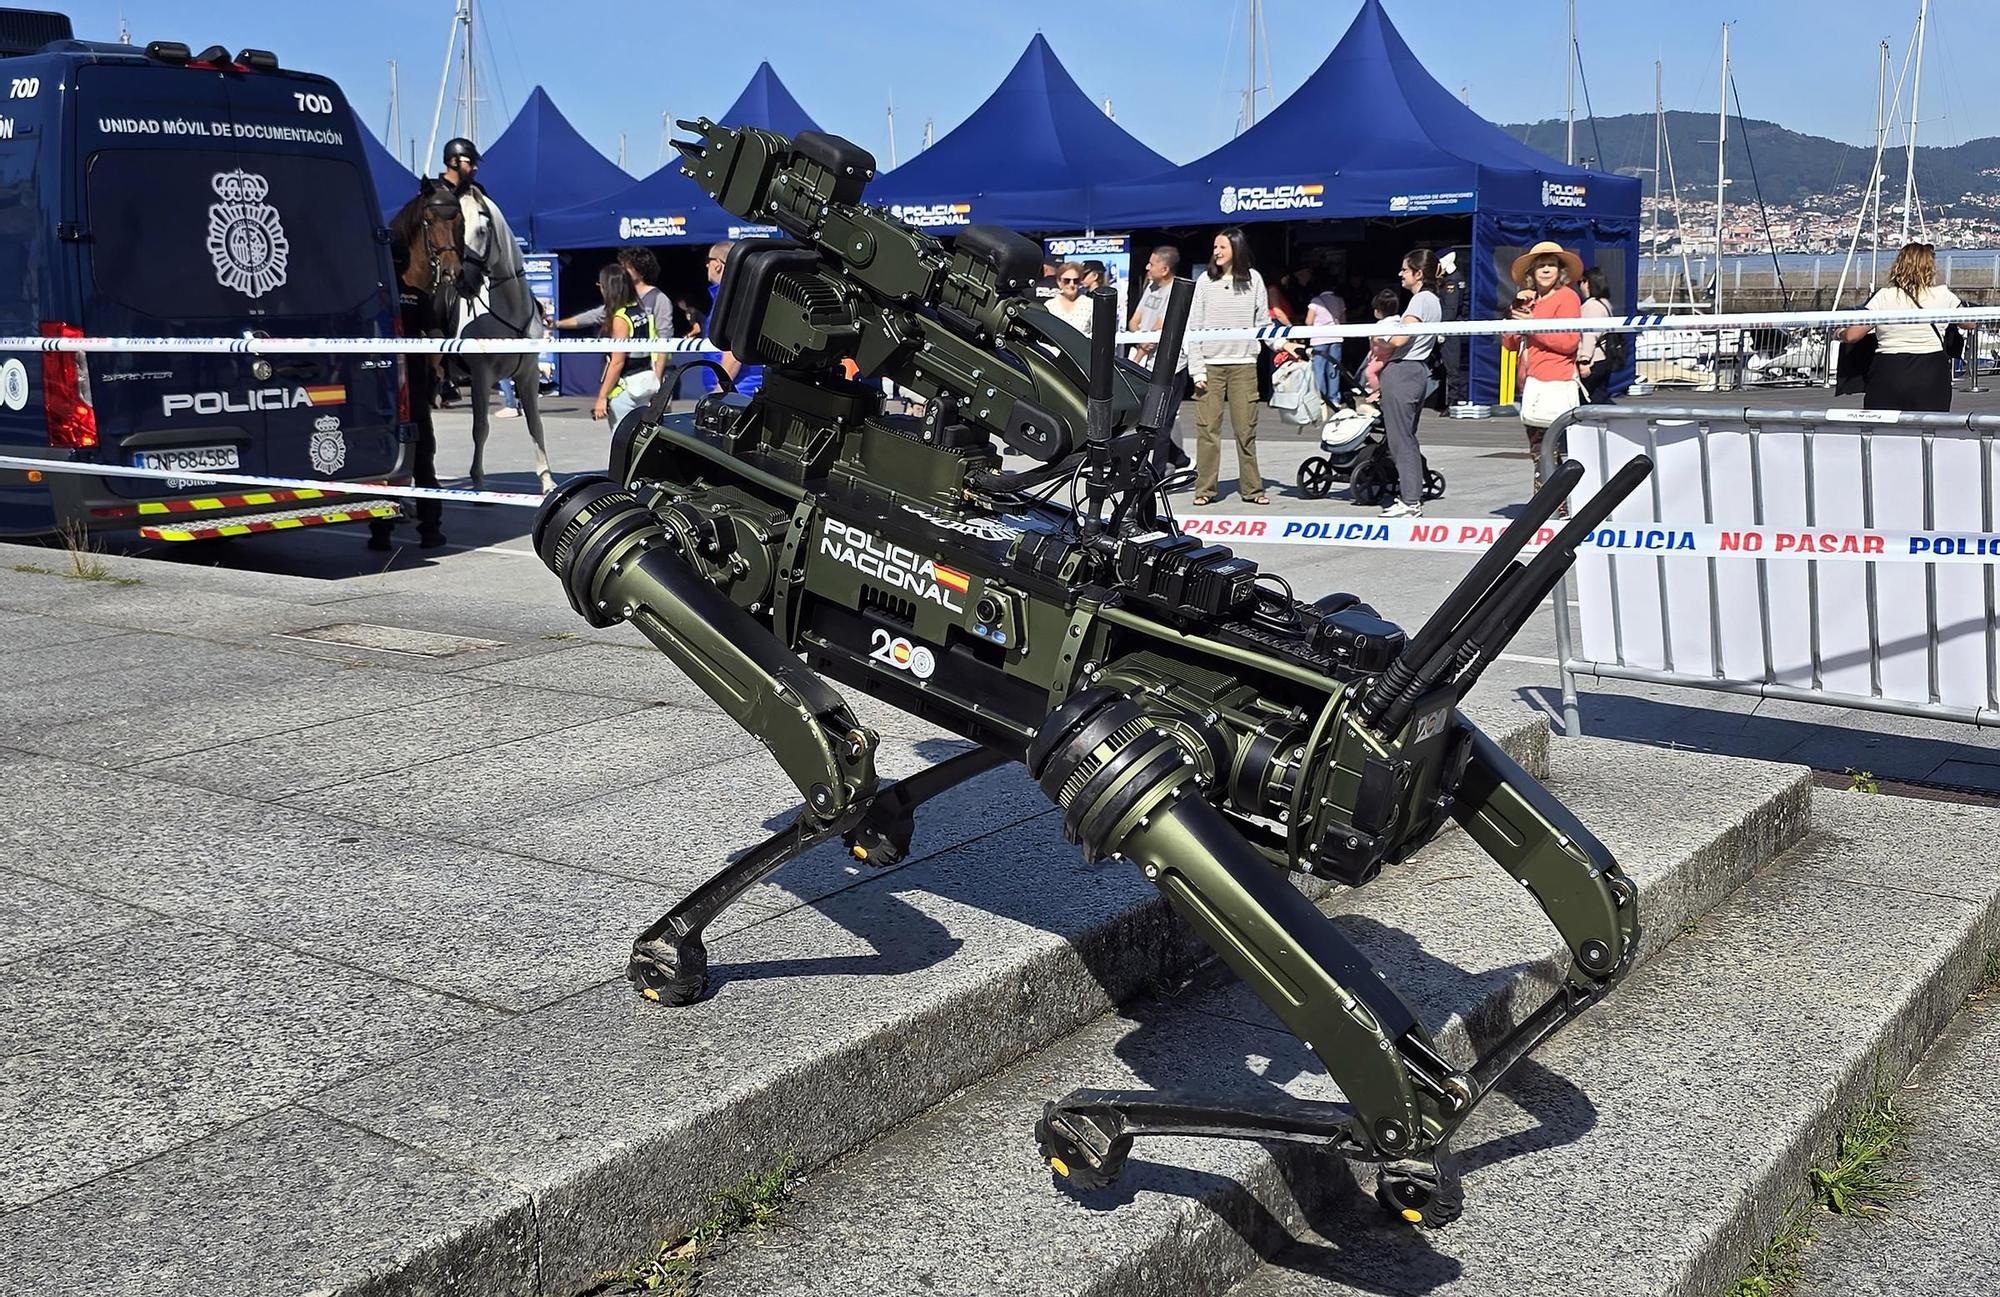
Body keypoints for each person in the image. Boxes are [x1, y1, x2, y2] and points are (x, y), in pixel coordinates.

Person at [1187, 226, 1269, 507]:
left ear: (1237, 248)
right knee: (1207, 430)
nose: (1217, 252)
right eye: (1215, 247)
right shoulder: (1204, 281)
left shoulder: (1254, 280)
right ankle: (1204, 489)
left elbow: (1263, 324)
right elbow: (1193, 327)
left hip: (1244, 366)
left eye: (1222, 246)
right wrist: (1197, 369)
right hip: (1210, 366)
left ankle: (1253, 489)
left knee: (1246, 431)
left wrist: (1284, 345)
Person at [1500, 240, 1584, 489]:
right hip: (1531, 384)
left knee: (1550, 450)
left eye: (1552, 264)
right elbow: (1510, 343)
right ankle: (1549, 500)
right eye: (1541, 265)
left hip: (1555, 381)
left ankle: (1553, 501)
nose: (1546, 269)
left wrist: (1533, 324)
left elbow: (1569, 342)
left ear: (1560, 271)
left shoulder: (1568, 297)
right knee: (1539, 451)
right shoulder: (1529, 301)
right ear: (1532, 272)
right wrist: (1514, 311)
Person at [1840, 241, 1961, 412]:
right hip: (1931, 370)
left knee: (1885, 424)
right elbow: (1970, 323)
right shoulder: (1943, 295)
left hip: (1889, 370)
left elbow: (1852, 335)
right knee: (1930, 424)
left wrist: (1839, 333)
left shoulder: (1884, 296)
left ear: (1899, 265)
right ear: (1930, 268)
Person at [1377, 247, 1445, 518]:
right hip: (1417, 371)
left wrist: (1382, 336)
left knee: (1400, 439)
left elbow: (1401, 338)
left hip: (1403, 371)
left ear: (1418, 274)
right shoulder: (1434, 301)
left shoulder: (1419, 301)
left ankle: (1410, 500)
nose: (1400, 274)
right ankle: (1411, 495)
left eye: (1405, 269)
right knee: (1407, 437)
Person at [591, 264, 656, 429]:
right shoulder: (640, 311)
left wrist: (602, 397)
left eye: (601, 284)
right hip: (645, 383)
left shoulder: (620, 318)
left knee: (621, 439)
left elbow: (617, 362)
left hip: (625, 389)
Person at [706, 241, 763, 394]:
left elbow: (733, 352)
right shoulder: (738, 295)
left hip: (738, 390)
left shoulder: (731, 299)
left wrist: (719, 389)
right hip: (739, 388)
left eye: (708, 260)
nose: (706, 265)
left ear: (717, 264)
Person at [1127, 245, 1183, 371]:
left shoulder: (1175, 292)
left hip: (1164, 364)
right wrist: (1141, 340)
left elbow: (1159, 327)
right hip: (1145, 359)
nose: (1147, 267)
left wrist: (1137, 358)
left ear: (1165, 270)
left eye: (1151, 264)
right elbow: (1134, 321)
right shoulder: (1151, 286)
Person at [1576, 265, 1617, 405]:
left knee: (1587, 398)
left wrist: (1584, 360)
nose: (1580, 287)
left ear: (1587, 283)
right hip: (1605, 357)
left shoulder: (1591, 306)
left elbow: (1589, 335)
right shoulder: (1605, 304)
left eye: (1580, 282)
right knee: (1599, 396)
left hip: (1593, 359)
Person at [1306, 281, 1347, 403]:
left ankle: (1321, 398)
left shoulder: (1315, 301)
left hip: (1319, 338)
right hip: (1336, 337)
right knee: (1334, 368)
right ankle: (1334, 398)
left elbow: (1309, 321)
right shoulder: (1339, 300)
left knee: (1319, 368)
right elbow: (1343, 320)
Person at [1362, 289, 1403, 398]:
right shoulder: (1395, 322)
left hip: (1384, 356)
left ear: (1380, 310)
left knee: (1369, 372)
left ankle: (1376, 391)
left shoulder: (1387, 325)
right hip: (1377, 355)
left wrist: (1376, 340)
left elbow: (1389, 341)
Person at [1046, 262, 1094, 334]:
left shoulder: (1090, 304)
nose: (1071, 284)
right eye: (1067, 281)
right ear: (1059, 282)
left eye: (1075, 281)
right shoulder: (1050, 306)